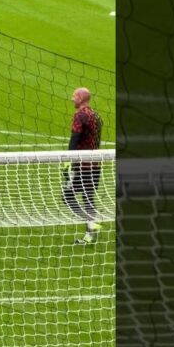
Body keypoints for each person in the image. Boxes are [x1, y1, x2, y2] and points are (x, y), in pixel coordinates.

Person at [62, 87, 103, 244]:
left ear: (81, 98)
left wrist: (68, 160)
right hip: (95, 164)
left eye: (75, 96)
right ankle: (89, 236)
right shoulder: (96, 116)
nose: (72, 99)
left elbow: (75, 138)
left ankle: (90, 223)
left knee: (67, 196)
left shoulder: (80, 115)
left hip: (81, 165)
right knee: (88, 197)